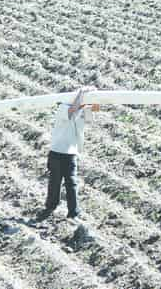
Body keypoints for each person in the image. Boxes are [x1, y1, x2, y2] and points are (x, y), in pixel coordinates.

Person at [35, 87, 100, 222]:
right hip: (57, 152)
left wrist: (95, 96)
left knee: (71, 183)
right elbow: (72, 111)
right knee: (55, 182)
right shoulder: (63, 108)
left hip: (70, 154)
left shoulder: (82, 109)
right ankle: (50, 207)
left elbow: (95, 109)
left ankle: (73, 212)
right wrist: (82, 94)